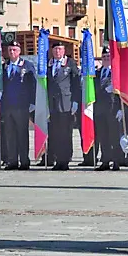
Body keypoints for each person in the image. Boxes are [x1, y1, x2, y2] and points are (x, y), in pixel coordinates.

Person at [1, 40, 36, 170]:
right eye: (10, 50)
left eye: (14, 50)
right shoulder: (4, 66)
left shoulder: (27, 65)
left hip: (22, 106)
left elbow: (33, 84)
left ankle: (24, 161)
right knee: (9, 135)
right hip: (8, 106)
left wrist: (32, 102)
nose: (12, 52)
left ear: (19, 51)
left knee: (22, 134)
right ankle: (12, 161)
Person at [45, 42, 80, 171]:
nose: (57, 52)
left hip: (66, 103)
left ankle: (65, 160)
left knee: (65, 133)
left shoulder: (70, 63)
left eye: (60, 49)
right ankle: (56, 159)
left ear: (64, 50)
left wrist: (75, 101)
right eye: (55, 49)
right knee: (54, 133)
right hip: (52, 104)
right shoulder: (49, 64)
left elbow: (76, 83)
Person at [94, 46, 123, 171]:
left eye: (108, 57)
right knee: (103, 136)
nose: (106, 59)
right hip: (100, 109)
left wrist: (121, 108)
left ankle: (116, 161)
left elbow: (122, 92)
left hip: (113, 108)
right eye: (104, 57)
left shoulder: (116, 73)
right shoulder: (97, 72)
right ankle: (105, 160)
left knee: (114, 136)